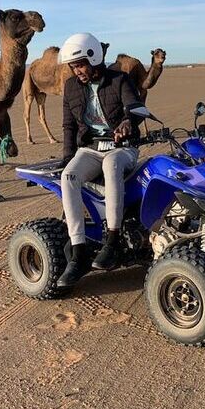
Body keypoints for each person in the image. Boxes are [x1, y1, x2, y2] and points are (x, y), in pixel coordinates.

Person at [56, 33, 142, 288]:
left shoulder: (119, 80)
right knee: (68, 177)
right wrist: (67, 157)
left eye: (80, 64)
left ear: (94, 58)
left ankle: (112, 242)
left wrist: (128, 121)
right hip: (90, 149)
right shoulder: (71, 87)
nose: (77, 70)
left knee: (111, 164)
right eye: (73, 66)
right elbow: (68, 125)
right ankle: (79, 251)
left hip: (121, 148)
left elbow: (133, 106)